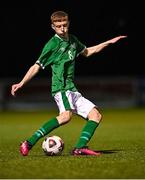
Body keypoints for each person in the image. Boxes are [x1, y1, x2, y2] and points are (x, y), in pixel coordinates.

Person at [11, 11, 127, 156]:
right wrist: (21, 83)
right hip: (61, 88)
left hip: (72, 89)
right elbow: (36, 66)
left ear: (68, 23)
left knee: (95, 115)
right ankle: (28, 142)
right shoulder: (52, 45)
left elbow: (88, 52)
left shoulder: (72, 40)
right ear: (53, 26)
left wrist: (108, 42)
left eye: (65, 25)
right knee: (66, 116)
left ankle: (79, 148)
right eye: (58, 26)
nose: (62, 29)